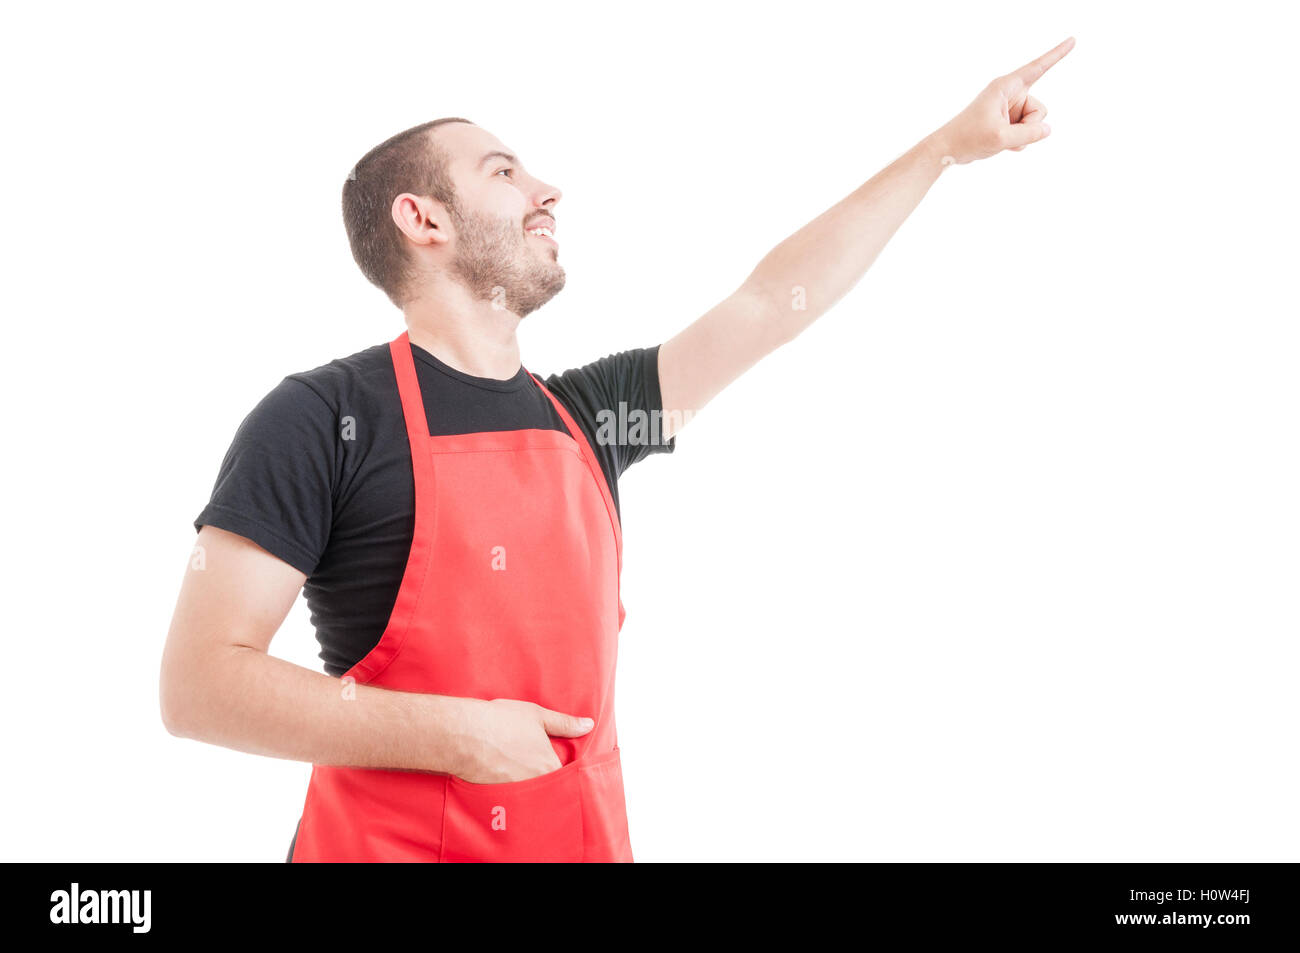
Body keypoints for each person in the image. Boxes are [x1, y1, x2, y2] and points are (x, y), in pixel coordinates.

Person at [160, 37, 1075, 862]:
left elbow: (768, 305)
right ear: (423, 219)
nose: (547, 189)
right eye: (504, 172)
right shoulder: (322, 418)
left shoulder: (592, 420)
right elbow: (199, 686)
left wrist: (946, 150)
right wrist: (457, 736)